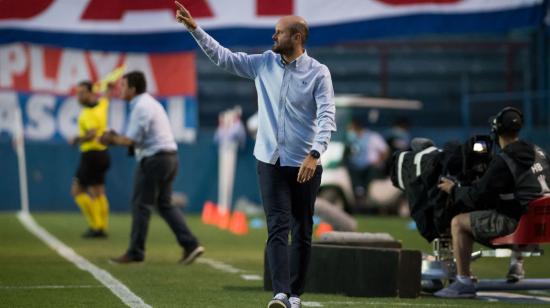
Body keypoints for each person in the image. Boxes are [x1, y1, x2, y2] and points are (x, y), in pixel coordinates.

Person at [175, 3, 336, 307]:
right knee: (277, 226)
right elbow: (223, 57)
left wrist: (315, 154)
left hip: (305, 163)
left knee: (302, 230)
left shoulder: (319, 73)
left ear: (297, 36)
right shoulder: (263, 63)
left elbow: (327, 116)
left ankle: (296, 295)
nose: (273, 36)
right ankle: (280, 293)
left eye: (280, 32)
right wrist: (195, 29)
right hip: (270, 161)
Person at [436, 107, 550, 298]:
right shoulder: (540, 151)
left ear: (496, 130)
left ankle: (463, 282)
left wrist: (454, 189)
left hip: (518, 227)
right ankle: (516, 263)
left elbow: (476, 196)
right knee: (513, 205)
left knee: (458, 222)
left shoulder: (504, 160)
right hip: (543, 225)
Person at [100, 71, 204, 265]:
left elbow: (131, 140)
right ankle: (190, 244)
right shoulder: (147, 103)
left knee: (141, 205)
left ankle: (135, 251)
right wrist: (116, 137)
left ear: (132, 88)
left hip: (155, 159)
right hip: (168, 158)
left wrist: (111, 138)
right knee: (164, 204)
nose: (120, 90)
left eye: (123, 86)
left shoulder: (141, 106)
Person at [70, 80, 111, 238]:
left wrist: (76, 140)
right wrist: (109, 89)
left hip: (91, 155)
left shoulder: (89, 113)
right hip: (103, 154)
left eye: (82, 93)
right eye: (77, 93)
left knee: (77, 190)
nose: (78, 96)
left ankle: (96, 227)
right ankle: (101, 226)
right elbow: (107, 97)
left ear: (91, 93)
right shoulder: (101, 105)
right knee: (99, 192)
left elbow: (92, 133)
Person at [345, 117, 389, 197]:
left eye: (351, 128)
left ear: (356, 127)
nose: (349, 131)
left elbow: (385, 151)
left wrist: (378, 161)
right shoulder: (353, 139)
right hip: (357, 168)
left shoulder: (373, 137)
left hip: (371, 168)